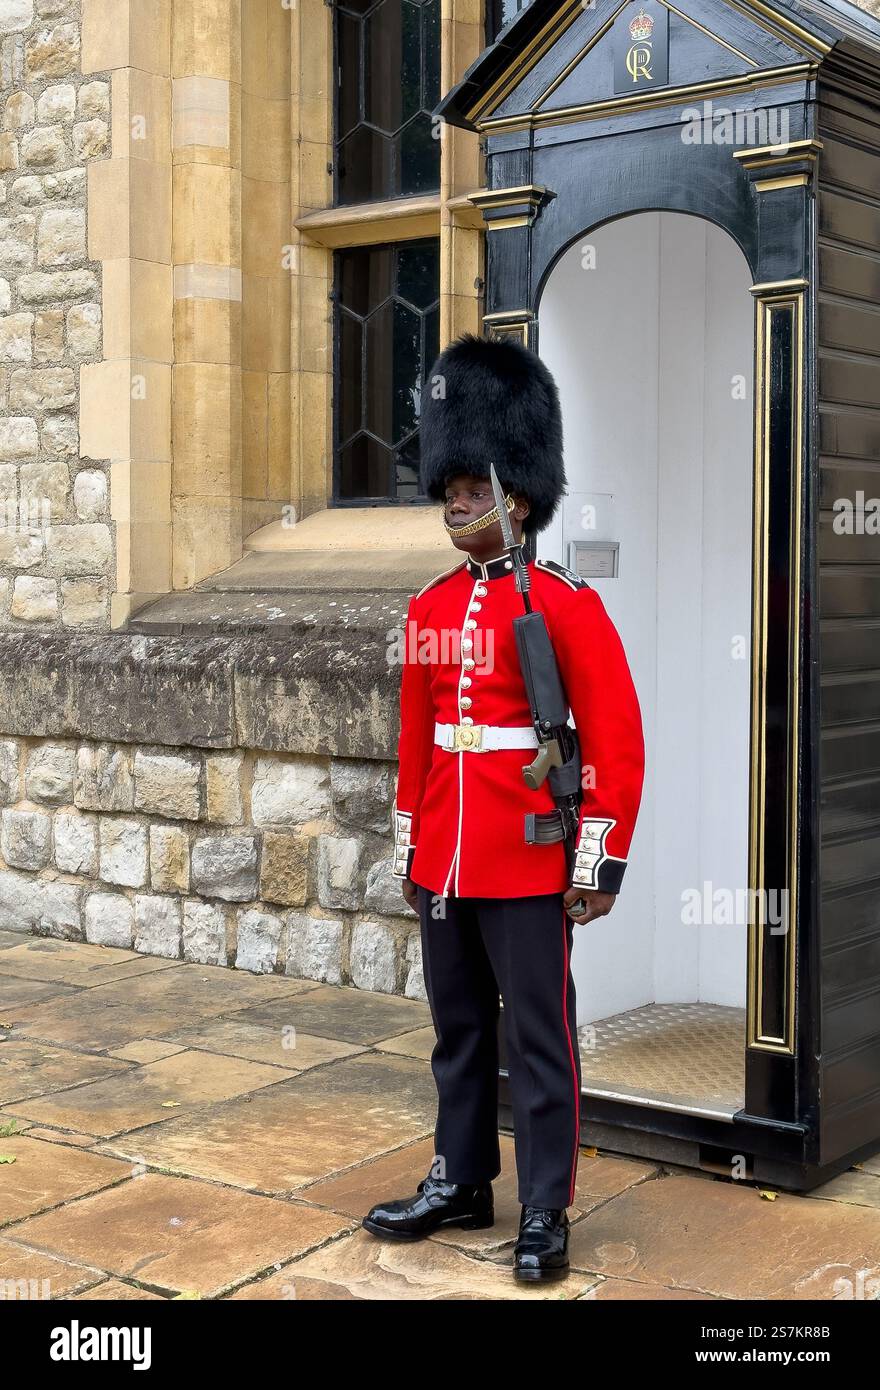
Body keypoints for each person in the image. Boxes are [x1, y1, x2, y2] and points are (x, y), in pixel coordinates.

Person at [361, 333, 645, 1282]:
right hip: (449, 852)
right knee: (458, 1027)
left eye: (472, 489)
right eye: (449, 489)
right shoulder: (431, 610)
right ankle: (463, 1176)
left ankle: (549, 1207)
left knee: (538, 1033)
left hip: (527, 855)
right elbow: (417, 741)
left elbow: (615, 738)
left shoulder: (563, 605)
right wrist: (411, 843)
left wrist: (597, 857)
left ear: (516, 497)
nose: (455, 502)